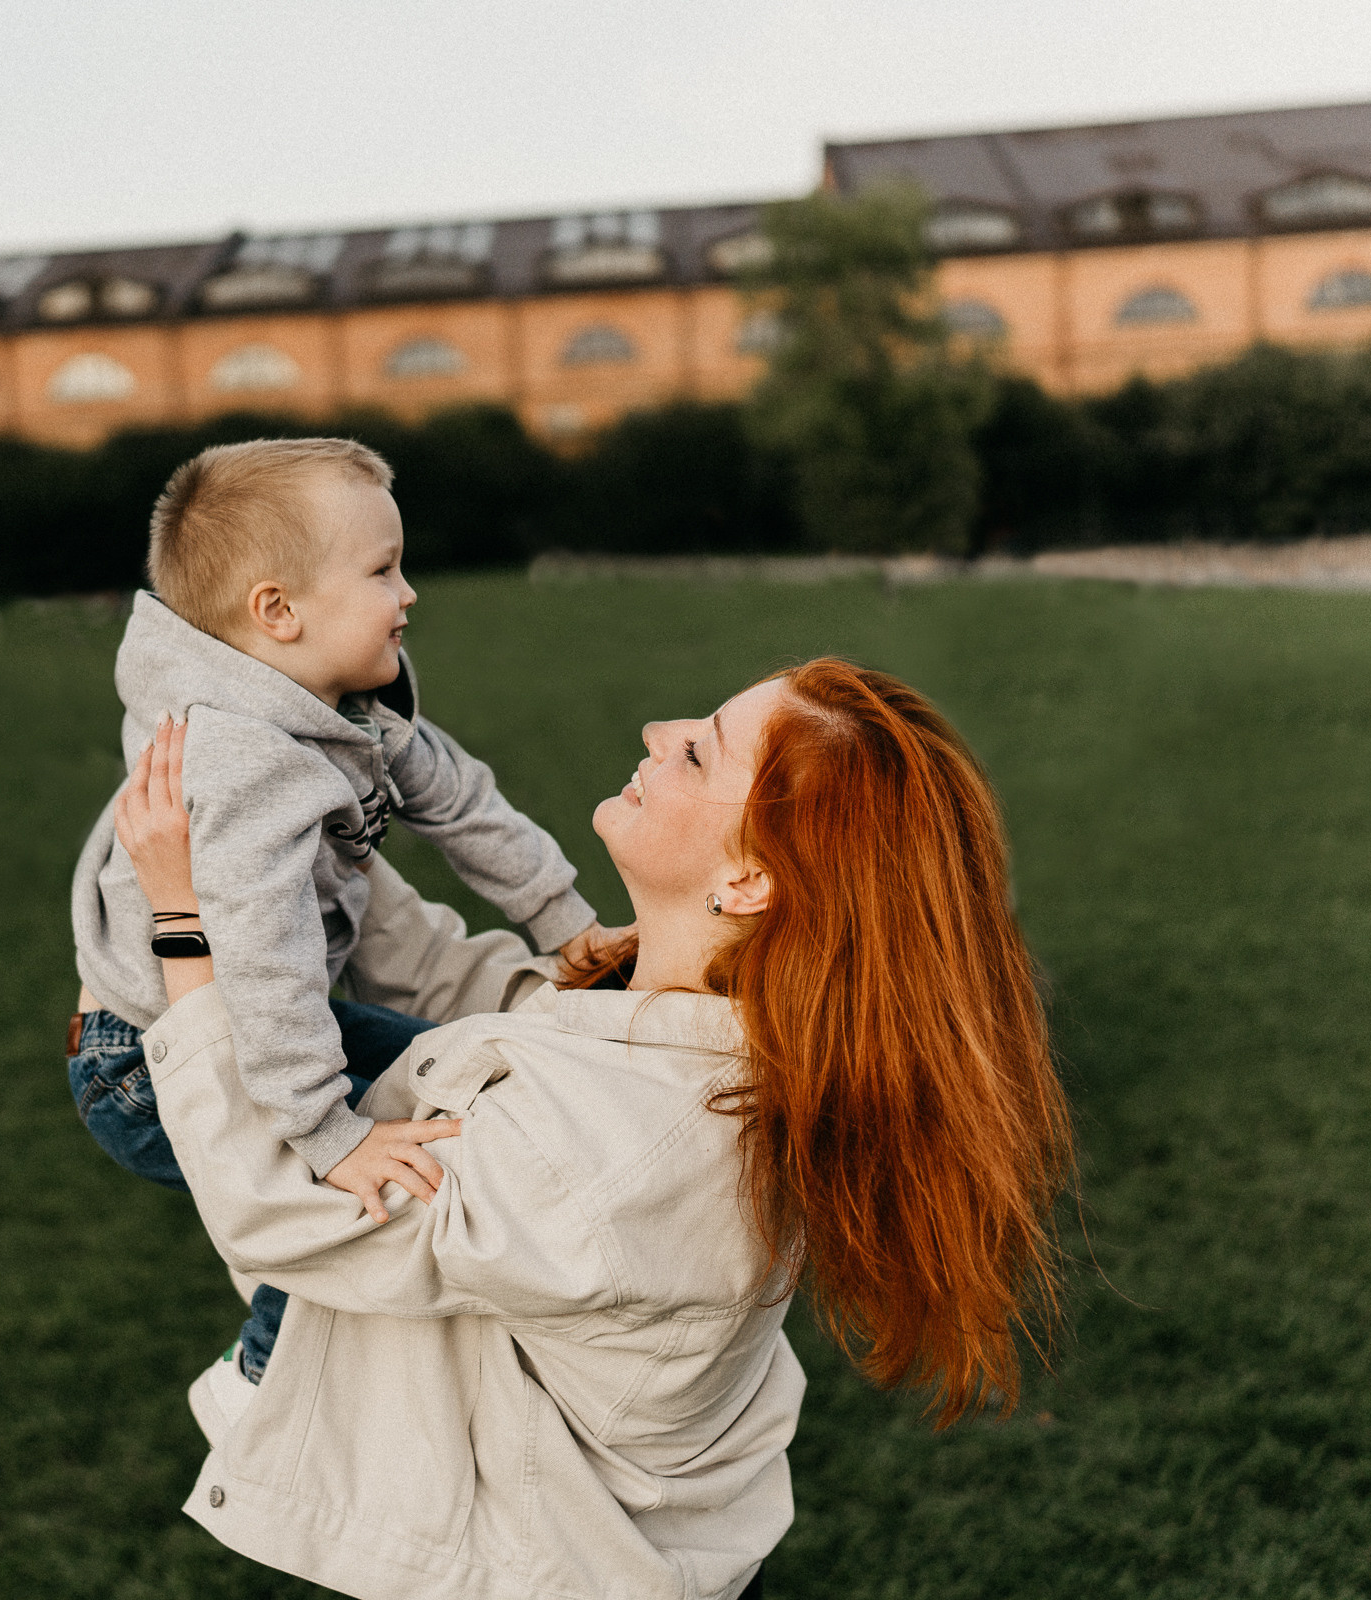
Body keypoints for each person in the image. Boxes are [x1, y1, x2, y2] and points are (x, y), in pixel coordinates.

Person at [111, 659, 1077, 1600]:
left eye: (698, 753)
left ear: (750, 881)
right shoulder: (713, 1022)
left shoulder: (612, 1153)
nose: (659, 733)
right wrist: (289, 835)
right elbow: (471, 988)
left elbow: (279, 1210)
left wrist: (184, 922)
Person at [66, 437, 620, 1388]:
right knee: (359, 1194)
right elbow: (264, 965)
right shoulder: (245, 762)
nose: (409, 594)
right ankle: (266, 1373)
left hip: (260, 1028)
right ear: (278, 612)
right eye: (382, 571)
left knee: (461, 1087)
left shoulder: (342, 710)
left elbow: (463, 803)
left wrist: (571, 930)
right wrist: (329, 1136)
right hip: (152, 1064)